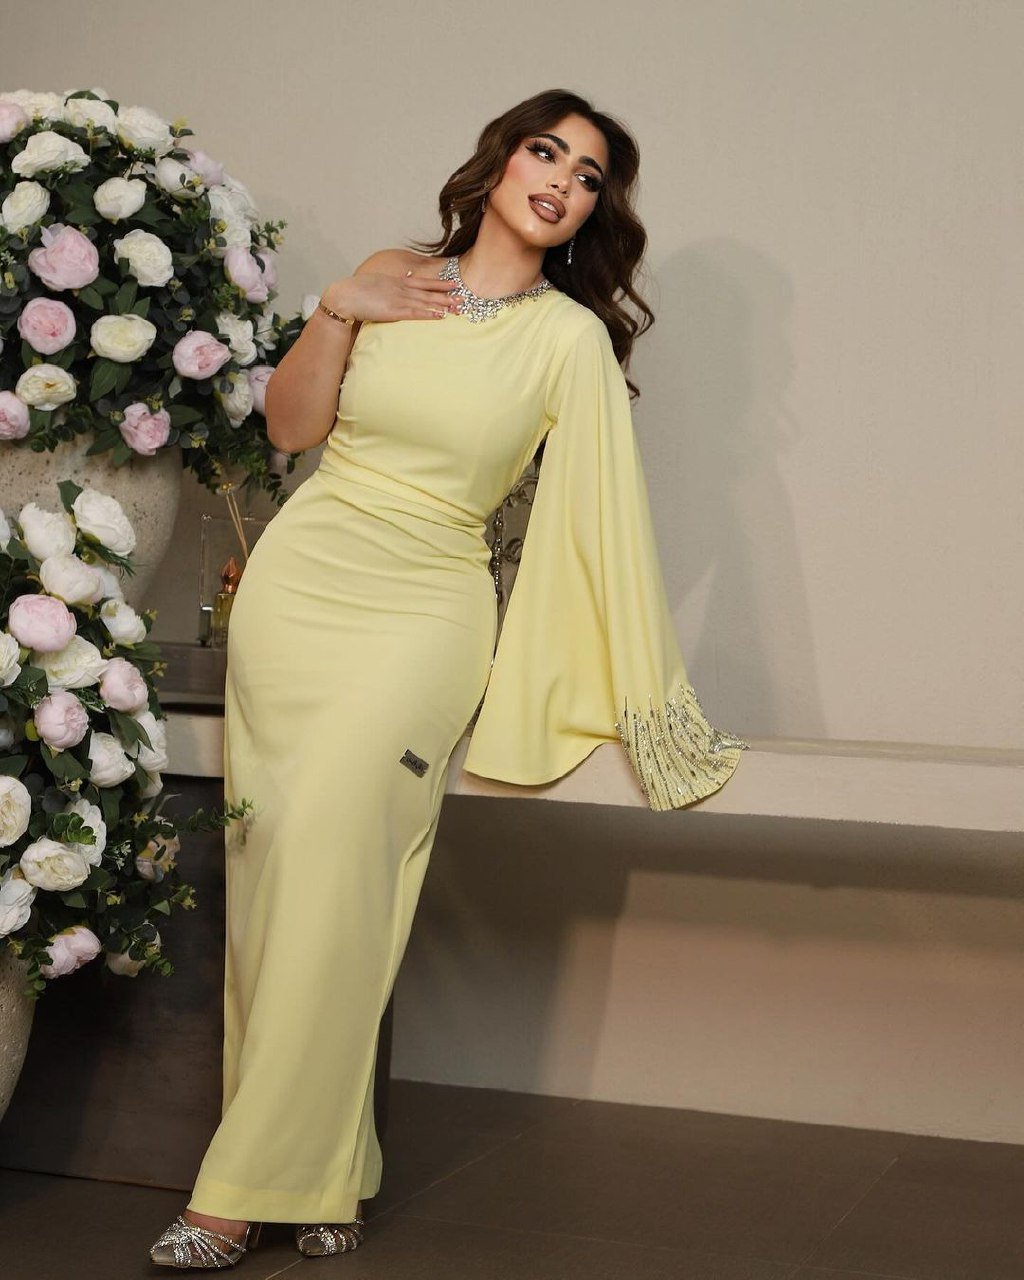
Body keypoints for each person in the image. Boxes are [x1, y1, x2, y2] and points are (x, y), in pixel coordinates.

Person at [149, 87, 747, 1269]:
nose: (561, 181)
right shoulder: (389, 276)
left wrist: (641, 688)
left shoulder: (566, 340)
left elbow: (603, 519)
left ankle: (232, 1193)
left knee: (336, 865)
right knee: (279, 872)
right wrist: (339, 306)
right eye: (546, 152)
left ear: (590, 213)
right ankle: (326, 1169)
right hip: (301, 588)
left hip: (425, 607)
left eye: (586, 176)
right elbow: (290, 430)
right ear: (499, 162)